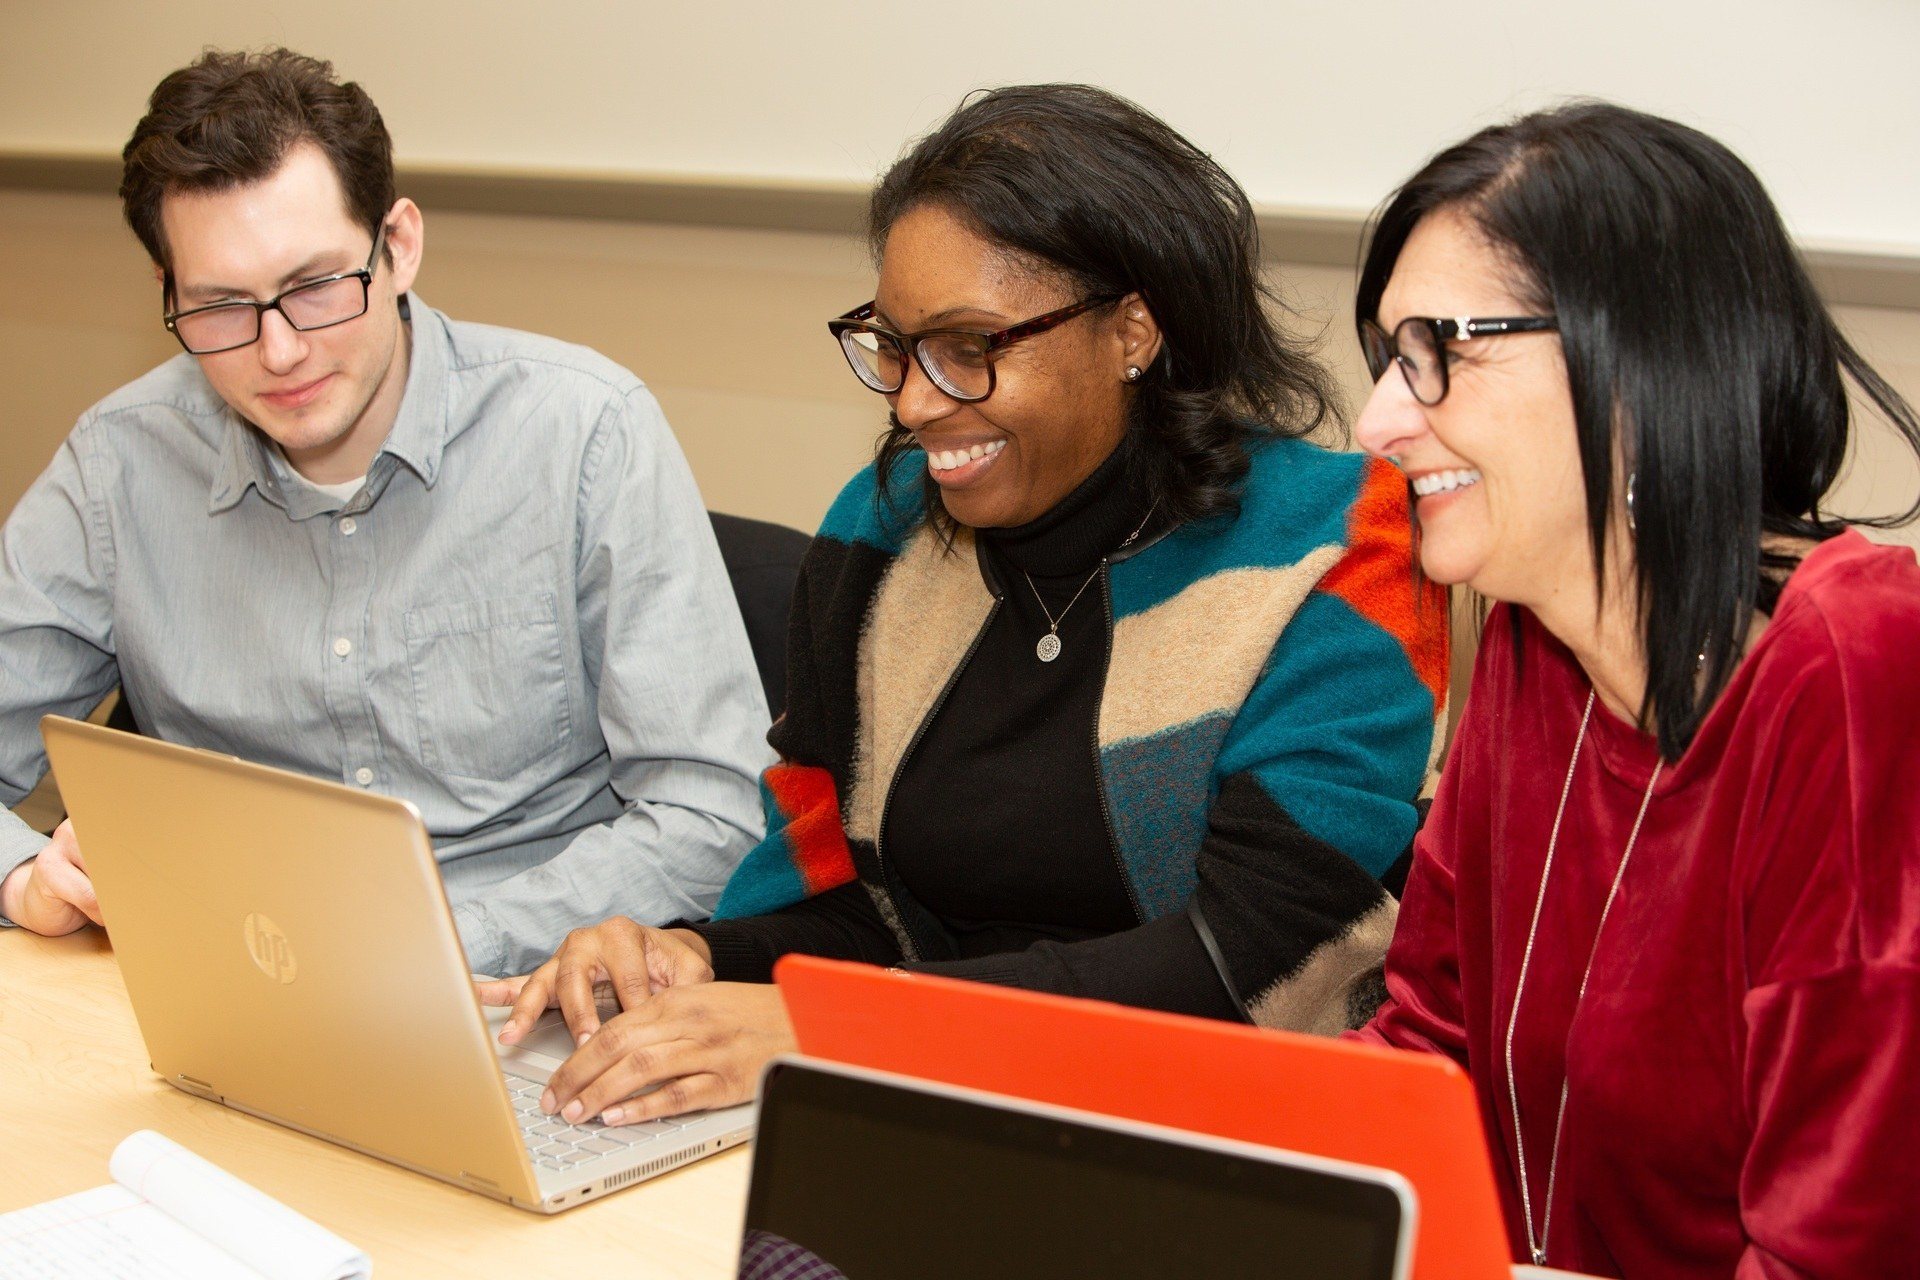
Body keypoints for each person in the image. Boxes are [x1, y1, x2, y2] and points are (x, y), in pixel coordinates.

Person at [487, 84, 1448, 1127]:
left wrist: (848, 1024)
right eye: (895, 346)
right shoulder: (881, 533)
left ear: (1133, 330)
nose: (912, 402)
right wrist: (692, 957)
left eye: (969, 348)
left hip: (1228, 1132)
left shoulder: (1339, 545)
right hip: (925, 1105)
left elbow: (1260, 961)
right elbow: (851, 908)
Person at [0, 49, 773, 978]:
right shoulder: (119, 462)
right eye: (220, 306)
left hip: (522, 991)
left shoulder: (585, 433)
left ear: (398, 246)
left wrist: (430, 952)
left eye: (315, 286)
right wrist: (22, 880)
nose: (279, 351)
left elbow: (713, 814)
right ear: (167, 292)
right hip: (232, 979)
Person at [1347, 102, 1920, 1276]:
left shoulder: (1858, 667)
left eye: (1436, 349)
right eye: (1388, 358)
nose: (1377, 420)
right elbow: (1430, 1047)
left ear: (1645, 361)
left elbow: (1836, 1250)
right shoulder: (1533, 625)